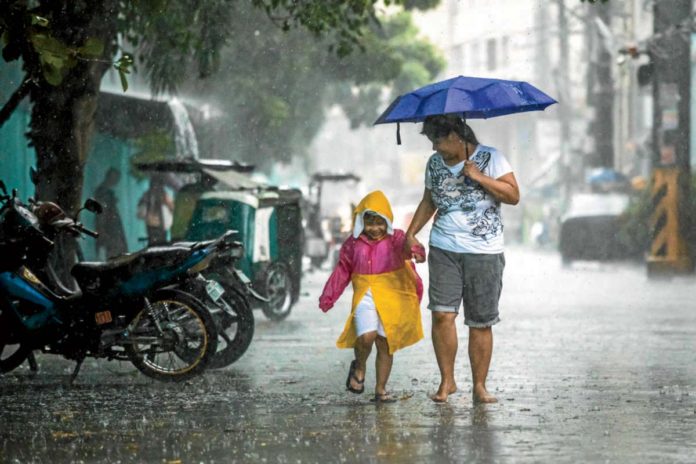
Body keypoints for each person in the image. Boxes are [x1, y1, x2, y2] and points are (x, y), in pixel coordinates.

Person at [404, 114, 520, 404]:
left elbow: (513, 195)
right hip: (444, 247)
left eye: (438, 140)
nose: (435, 148)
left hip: (484, 250)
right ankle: (448, 381)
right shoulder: (434, 165)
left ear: (457, 135)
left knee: (480, 321)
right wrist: (411, 233)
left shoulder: (492, 158)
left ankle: (479, 386)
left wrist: (478, 177)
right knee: (442, 314)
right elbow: (429, 201)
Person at [319, 190, 425, 403]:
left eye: (380, 223)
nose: (375, 229)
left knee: (385, 343)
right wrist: (328, 296)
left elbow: (411, 248)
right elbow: (342, 271)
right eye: (370, 223)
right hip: (365, 294)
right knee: (366, 336)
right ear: (361, 222)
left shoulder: (396, 239)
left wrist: (417, 251)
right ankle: (359, 365)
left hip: (391, 295)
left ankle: (381, 390)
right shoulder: (353, 243)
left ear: (387, 220)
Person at [94, 167, 128, 258]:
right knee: (114, 256)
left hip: (111, 230)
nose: (117, 180)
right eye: (115, 178)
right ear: (109, 177)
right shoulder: (103, 193)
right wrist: (102, 231)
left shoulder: (106, 192)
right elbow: (101, 213)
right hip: (109, 231)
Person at [137, 175, 174, 245]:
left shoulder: (165, 196)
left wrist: (167, 203)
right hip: (152, 227)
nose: (156, 187)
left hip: (162, 228)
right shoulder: (147, 196)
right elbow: (140, 213)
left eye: (158, 185)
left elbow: (172, 209)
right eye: (154, 184)